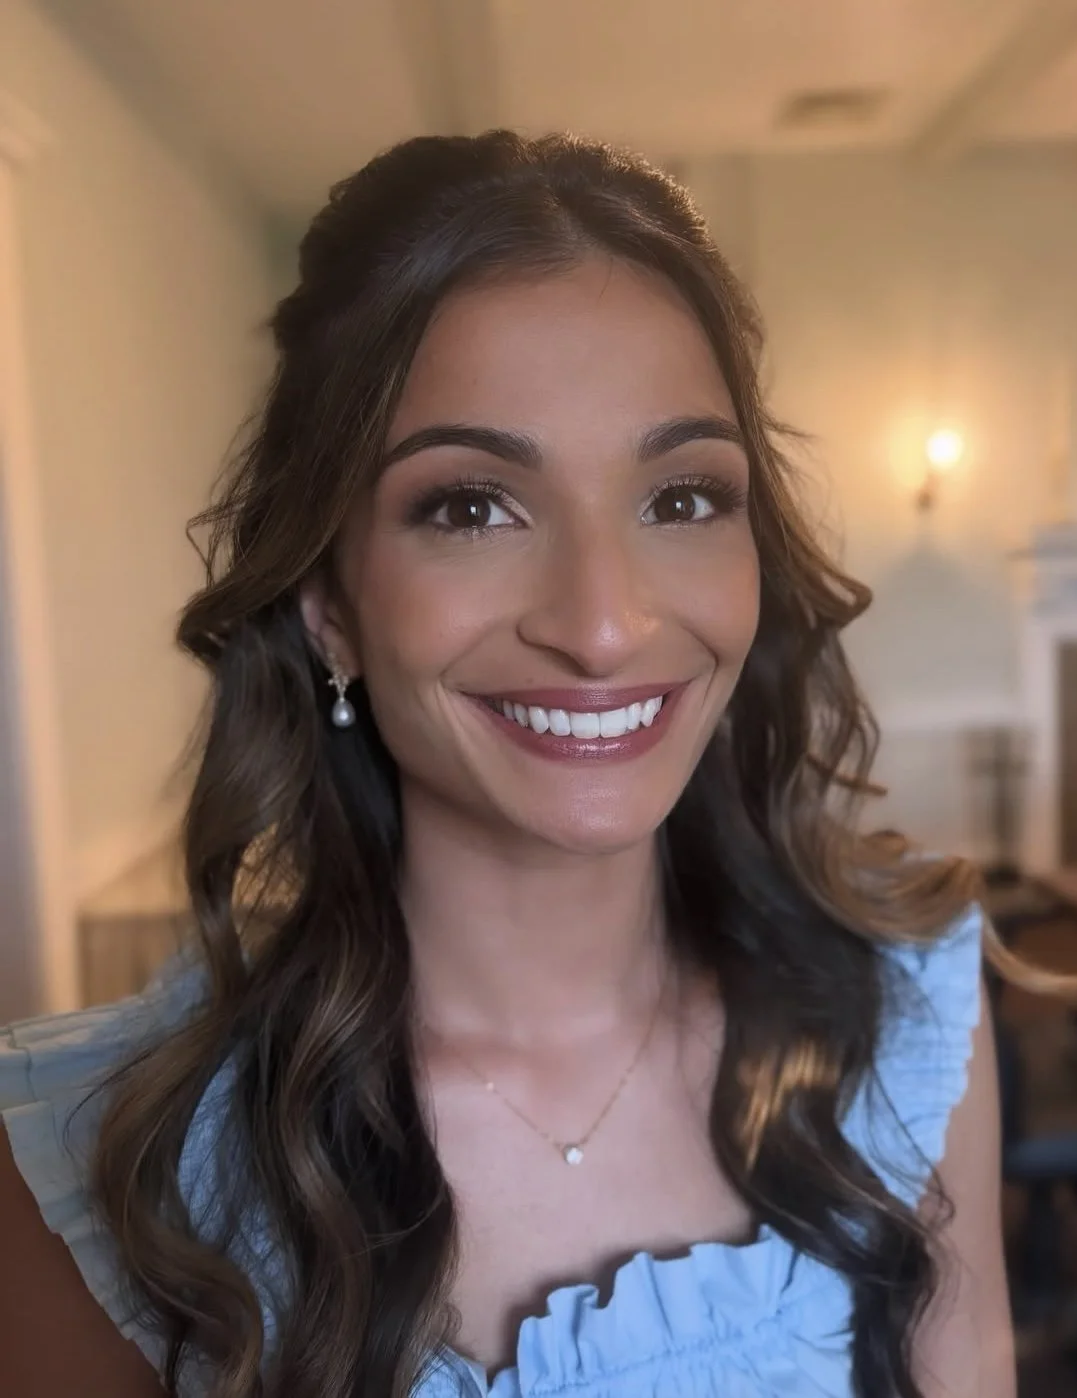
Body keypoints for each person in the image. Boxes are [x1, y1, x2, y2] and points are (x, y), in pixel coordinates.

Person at [0, 131, 1016, 1398]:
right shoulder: (109, 1164)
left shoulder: (900, 1018)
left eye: (682, 498)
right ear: (328, 605)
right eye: (472, 506)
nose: (604, 625)